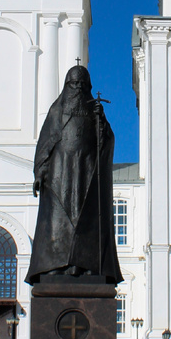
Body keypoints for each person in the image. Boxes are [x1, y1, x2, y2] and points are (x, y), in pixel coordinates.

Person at [26, 65, 123, 285]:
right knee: (56, 224)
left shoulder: (94, 110)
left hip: (87, 174)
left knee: (86, 222)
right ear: (67, 85)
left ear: (88, 86)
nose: (77, 88)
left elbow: (106, 141)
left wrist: (101, 123)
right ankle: (55, 266)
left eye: (81, 84)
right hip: (59, 175)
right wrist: (40, 171)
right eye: (73, 84)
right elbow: (45, 142)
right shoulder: (57, 111)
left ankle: (86, 266)